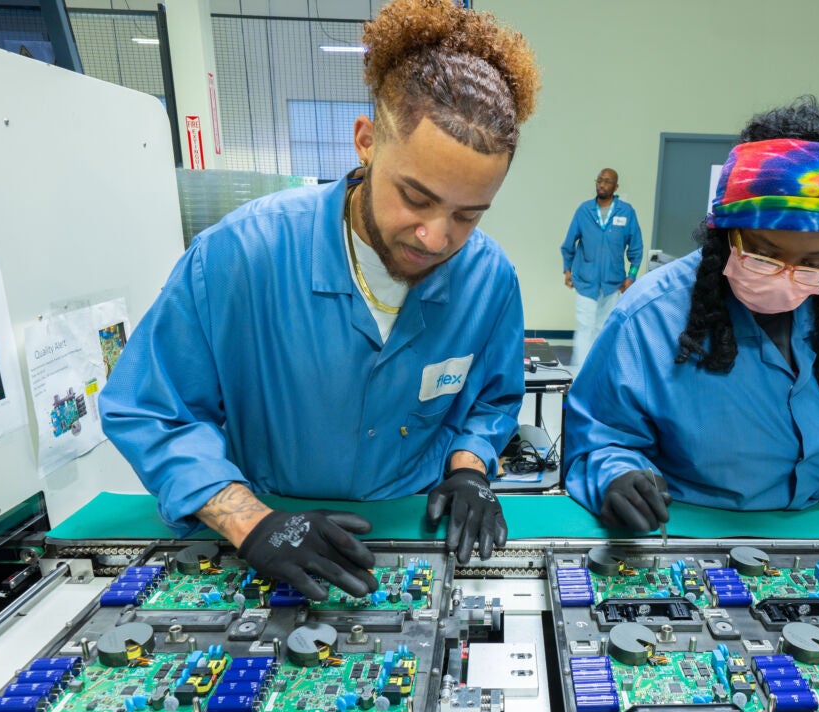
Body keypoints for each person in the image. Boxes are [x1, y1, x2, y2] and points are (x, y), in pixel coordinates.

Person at [99, 0, 541, 597]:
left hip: (411, 527)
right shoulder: (241, 256)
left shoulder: (489, 279)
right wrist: (249, 522)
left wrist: (470, 468)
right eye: (415, 197)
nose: (436, 238)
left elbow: (491, 400)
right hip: (263, 527)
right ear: (365, 141)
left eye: (467, 215)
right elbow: (151, 408)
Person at [563, 97, 819, 532]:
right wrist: (618, 477)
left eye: (815, 262)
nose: (786, 277)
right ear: (724, 233)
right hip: (692, 531)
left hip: (816, 528)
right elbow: (601, 434)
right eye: (764, 254)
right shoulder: (650, 318)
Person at [560, 168, 644, 366]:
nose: (602, 184)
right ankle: (578, 377)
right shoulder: (584, 210)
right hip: (585, 281)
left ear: (616, 187)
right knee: (584, 328)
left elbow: (636, 249)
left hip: (612, 284)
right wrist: (567, 269)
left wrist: (631, 276)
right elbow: (568, 243)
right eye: (599, 180)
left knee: (603, 329)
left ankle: (596, 374)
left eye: (607, 181)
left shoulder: (626, 212)